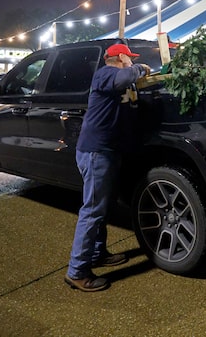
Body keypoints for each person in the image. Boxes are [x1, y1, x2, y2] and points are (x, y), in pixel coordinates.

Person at [65, 43, 151, 292]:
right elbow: (125, 76)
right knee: (92, 210)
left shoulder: (118, 77)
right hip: (95, 152)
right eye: (129, 57)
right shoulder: (106, 73)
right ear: (120, 57)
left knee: (103, 207)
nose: (131, 61)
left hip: (107, 151)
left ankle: (97, 254)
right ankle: (77, 271)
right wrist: (141, 68)